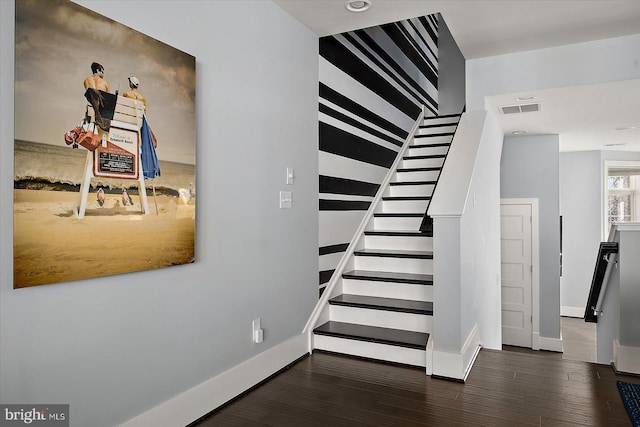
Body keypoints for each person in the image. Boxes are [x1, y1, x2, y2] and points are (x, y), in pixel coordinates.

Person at [83, 62, 114, 131]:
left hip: (91, 109)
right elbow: (108, 99)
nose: (103, 74)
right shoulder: (105, 83)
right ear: (97, 70)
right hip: (102, 113)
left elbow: (91, 95)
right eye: (102, 72)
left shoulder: (87, 80)